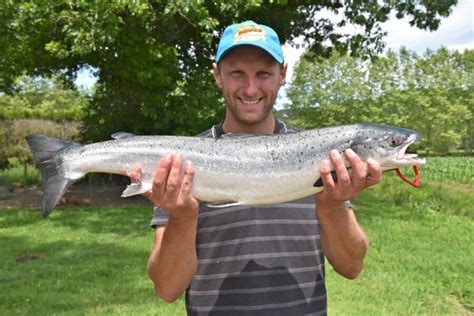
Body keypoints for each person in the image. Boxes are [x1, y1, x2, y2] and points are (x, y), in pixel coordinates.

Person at [135, 20, 382, 315]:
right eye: (237, 73)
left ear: (283, 75)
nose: (250, 88)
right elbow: (167, 288)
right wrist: (183, 216)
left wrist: (332, 205)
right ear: (218, 76)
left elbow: (352, 266)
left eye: (263, 73)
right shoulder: (182, 162)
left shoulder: (322, 155)